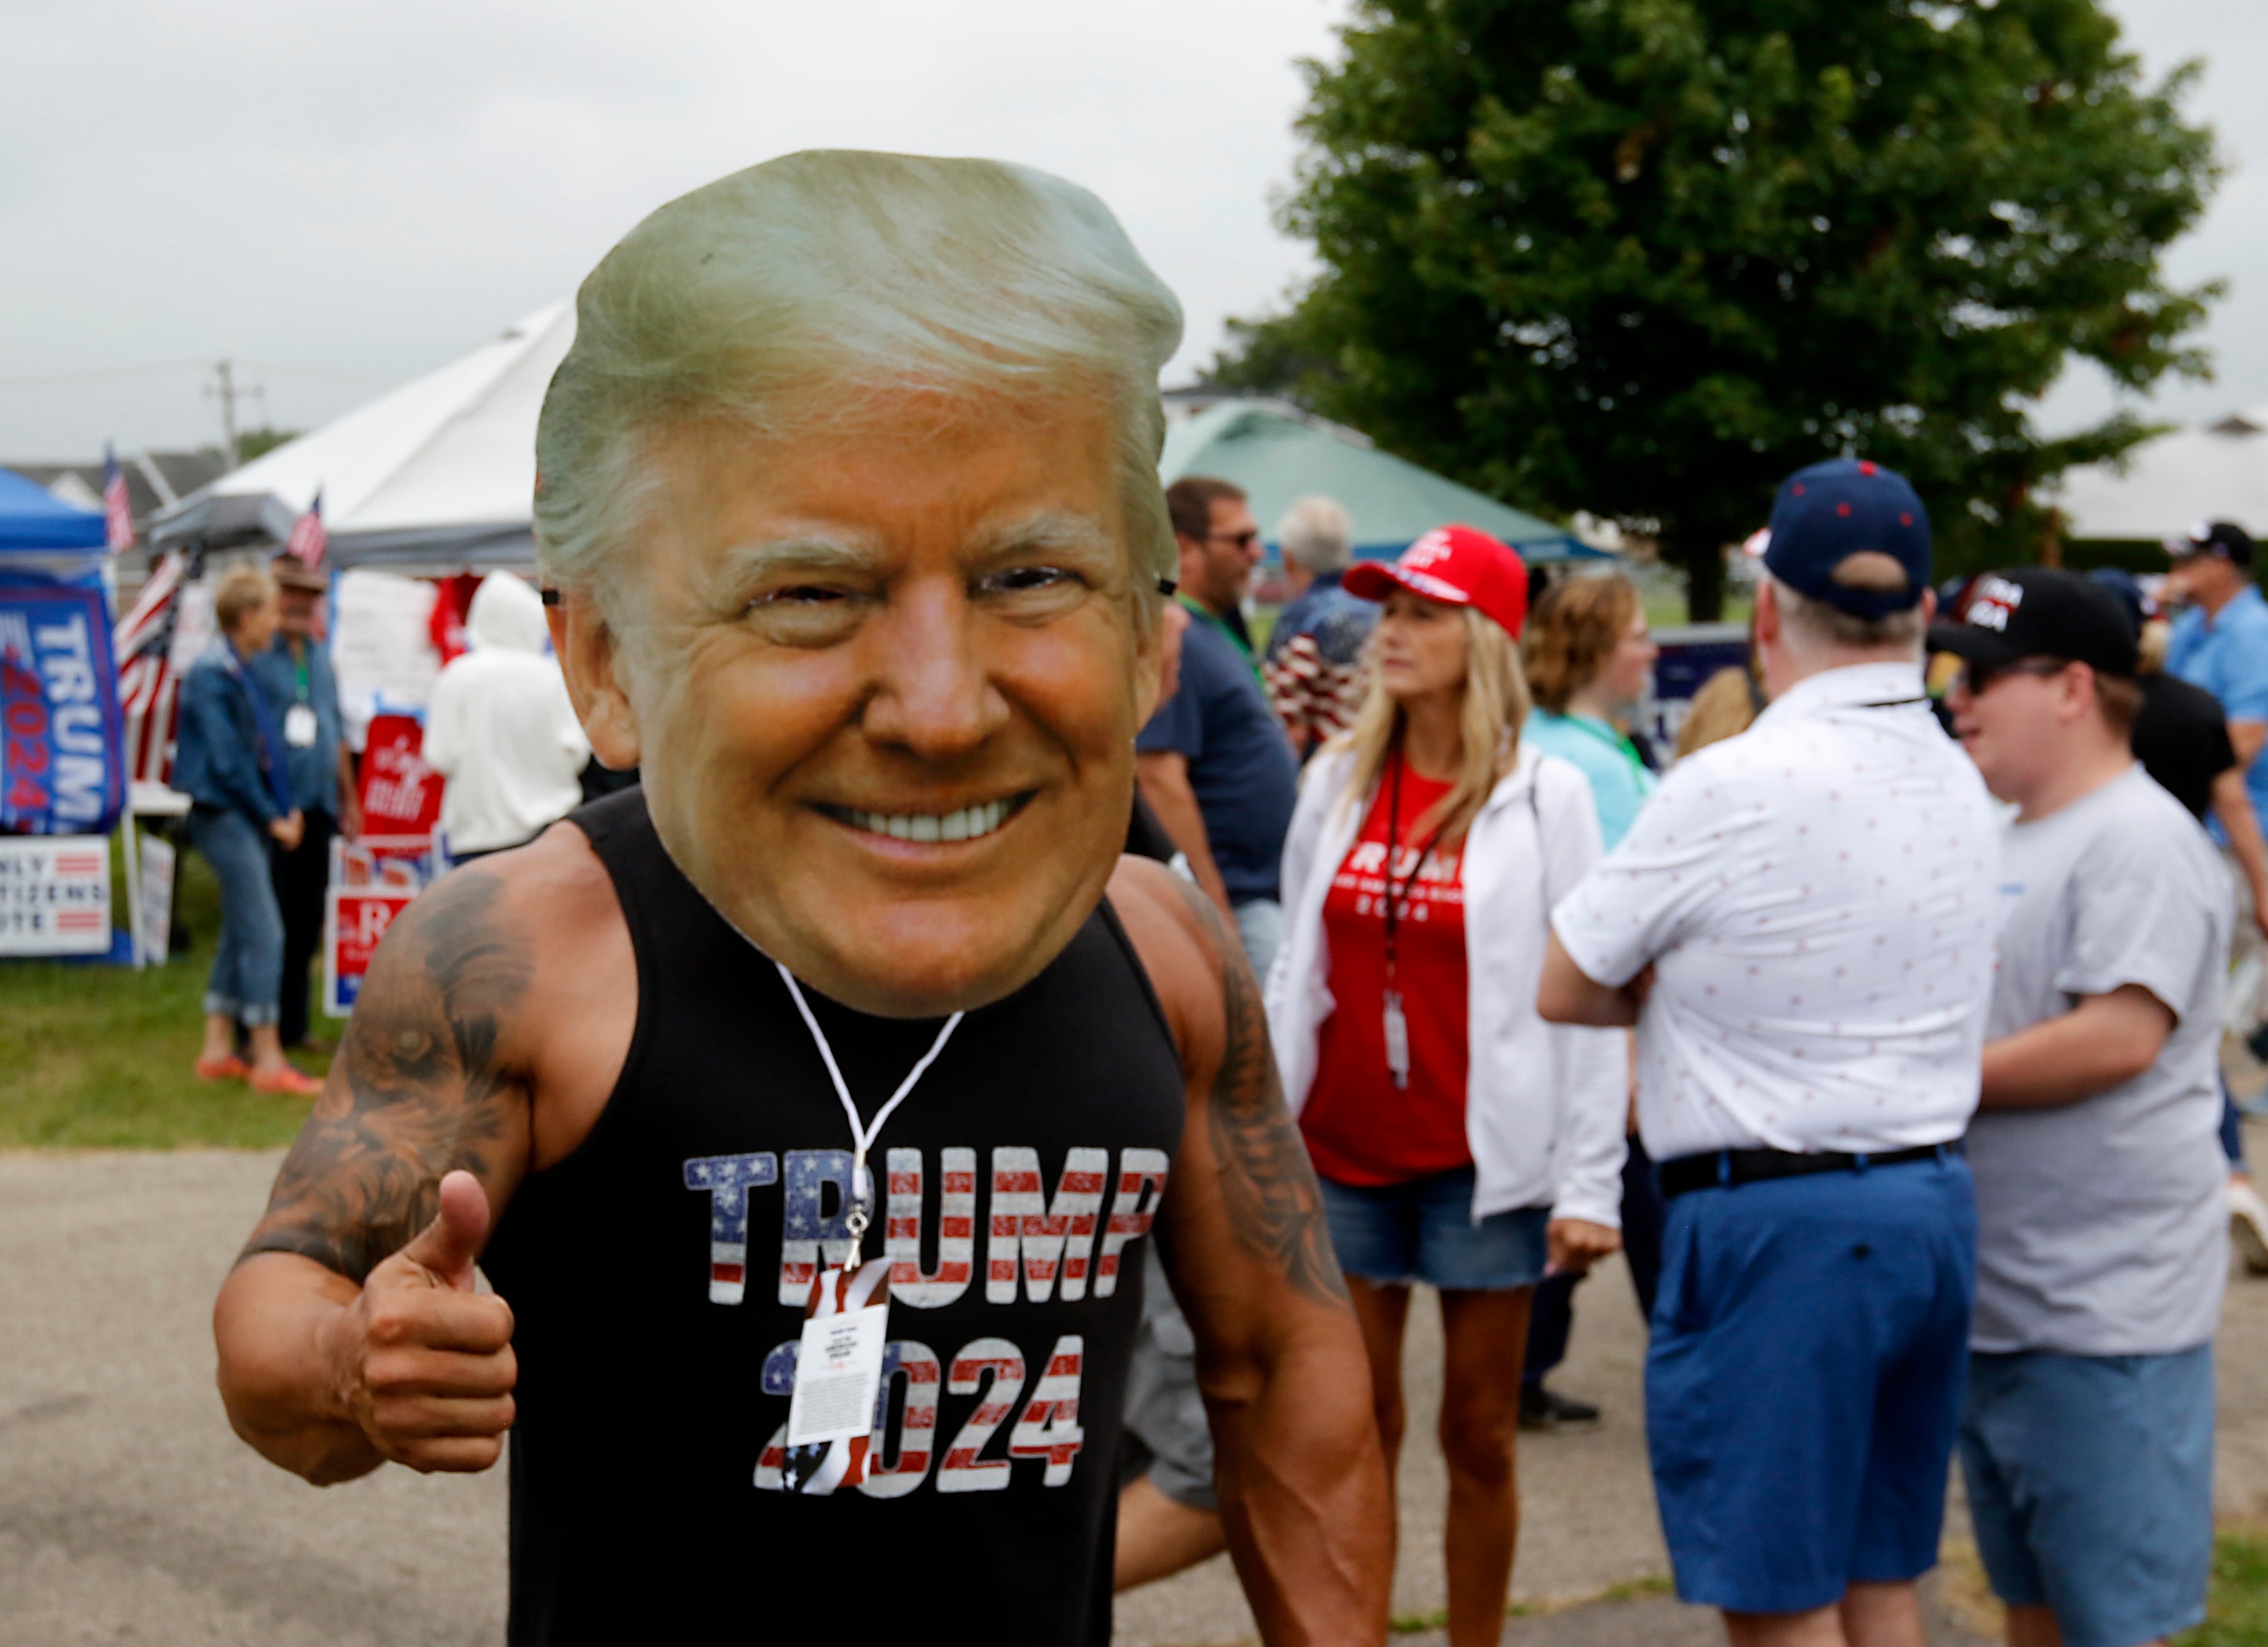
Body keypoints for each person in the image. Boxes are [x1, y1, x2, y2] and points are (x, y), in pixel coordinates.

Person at [212, 149, 1389, 1646]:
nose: (943, 706)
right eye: (809, 595)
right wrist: (348, 1362)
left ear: (1152, 634)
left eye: (1031, 575)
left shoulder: (1158, 948)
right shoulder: (532, 950)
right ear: (607, 667)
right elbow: (280, 1304)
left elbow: (1283, 1367)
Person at [1540, 458, 1999, 1646]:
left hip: (1780, 1223)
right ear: (1922, 609)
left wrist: (1676, 997)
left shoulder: (1729, 782)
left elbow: (1566, 976)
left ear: (1764, 611)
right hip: (1928, 1200)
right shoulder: (1961, 775)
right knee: (1881, 1576)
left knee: (1779, 1600)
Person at [1269, 525, 1627, 1647]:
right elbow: (1293, 966)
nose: (1391, 634)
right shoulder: (1334, 775)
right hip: (1341, 1156)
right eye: (1388, 611)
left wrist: (1591, 1185)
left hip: (1485, 1168)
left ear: (1484, 636)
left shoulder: (1547, 793)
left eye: (1421, 612)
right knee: (1353, 1433)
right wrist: (1259, 1132)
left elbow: (1588, 995)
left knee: (1477, 1431)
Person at [1933, 568, 2228, 1647]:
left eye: (1984, 674)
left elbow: (2120, 1034)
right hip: (2012, 1305)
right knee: (2034, 1608)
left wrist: (1917, 1081)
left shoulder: (2139, 837)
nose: (1956, 696)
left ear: (2073, 688)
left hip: (2106, 1319)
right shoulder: (2014, 833)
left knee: (2115, 1623)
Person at [1513, 570, 1662, 1433]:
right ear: (1600, 648)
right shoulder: (1591, 765)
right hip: (1604, 1029)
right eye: (1638, 633)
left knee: (1570, 1199)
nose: (1651, 648)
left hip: (1560, 1024)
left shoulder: (1552, 740)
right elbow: (1611, 922)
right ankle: (1694, 1359)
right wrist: (1634, 1057)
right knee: (1633, 1205)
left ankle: (1523, 1366)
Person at [2092, 567, 2268, 1273]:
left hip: (2109, 892)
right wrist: (2261, 883)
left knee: (2125, 1041)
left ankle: (2166, 1192)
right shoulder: (2194, 706)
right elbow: (2232, 803)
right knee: (2191, 1036)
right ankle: (2230, 1175)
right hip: (2197, 882)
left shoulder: (2087, 710)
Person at [1135, 476, 1300, 975]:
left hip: (1259, 892)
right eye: (1242, 539)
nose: (1258, 553)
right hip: (1237, 901)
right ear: (1185, 547)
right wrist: (1215, 912)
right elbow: (1159, 778)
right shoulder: (1175, 637)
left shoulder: (1211, 629)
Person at [173, 565, 323, 1097]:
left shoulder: (238, 667)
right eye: (272, 612)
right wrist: (272, 816)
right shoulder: (214, 674)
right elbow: (231, 762)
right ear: (247, 616)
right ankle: (266, 1056)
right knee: (265, 931)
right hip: (225, 815)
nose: (278, 623)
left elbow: (262, 750)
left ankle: (217, 1049)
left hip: (245, 813)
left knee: (241, 927)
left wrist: (285, 806)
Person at [248, 555, 360, 1049]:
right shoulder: (255, 654)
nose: (299, 603)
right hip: (274, 809)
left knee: (304, 920)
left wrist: (349, 798)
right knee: (263, 919)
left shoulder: (319, 656)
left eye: (309, 595)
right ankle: (254, 1026)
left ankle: (293, 1026)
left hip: (318, 807)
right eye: (290, 592)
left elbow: (334, 731)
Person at [2162, 520, 2268, 1035]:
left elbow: (2241, 747)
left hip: (2239, 832)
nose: (2177, 572)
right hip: (2197, 824)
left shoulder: (2254, 632)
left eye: (2190, 561)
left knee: (2194, 984)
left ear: (2222, 565)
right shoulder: (2192, 627)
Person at [420, 571, 590, 861]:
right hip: (549, 837)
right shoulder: (553, 678)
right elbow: (578, 754)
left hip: (476, 839)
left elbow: (440, 756)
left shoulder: (457, 677)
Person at [1263, 494, 1377, 760]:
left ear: (1287, 558)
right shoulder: (1380, 609)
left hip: (1330, 767)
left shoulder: (1299, 621)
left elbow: (1292, 727)